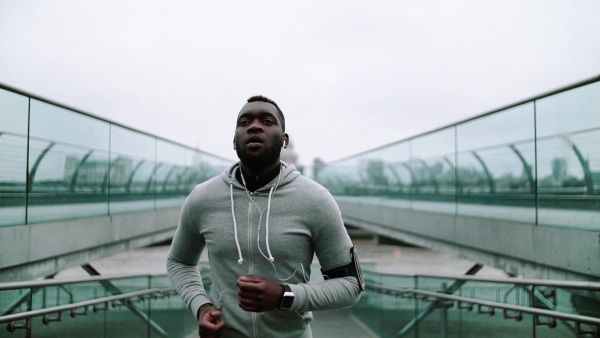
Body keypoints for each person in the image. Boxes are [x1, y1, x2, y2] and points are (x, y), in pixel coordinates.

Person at [166, 95, 363, 338]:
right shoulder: (202, 198)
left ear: (284, 140)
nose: (255, 126)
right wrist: (201, 306)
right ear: (234, 140)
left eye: (268, 121)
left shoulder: (316, 200)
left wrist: (284, 295)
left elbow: (351, 285)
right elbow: (179, 262)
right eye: (244, 122)